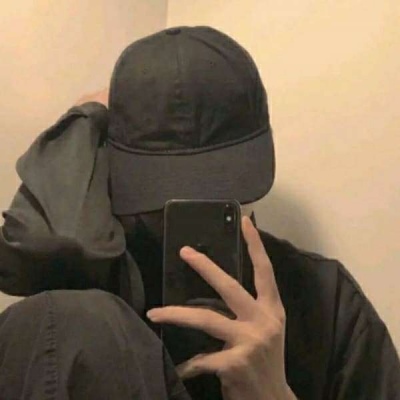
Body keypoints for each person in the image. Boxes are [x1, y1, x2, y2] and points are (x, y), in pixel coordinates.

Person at [0, 26, 399, 400]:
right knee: (69, 317)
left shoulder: (325, 299)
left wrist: (275, 393)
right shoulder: (96, 267)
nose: (190, 204)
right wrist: (83, 122)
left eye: (217, 189)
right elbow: (29, 257)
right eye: (161, 195)